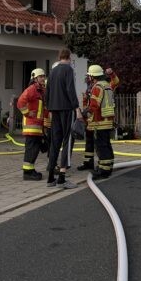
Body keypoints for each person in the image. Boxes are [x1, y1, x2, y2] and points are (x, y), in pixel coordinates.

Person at [46, 49, 83, 189]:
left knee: (54, 142)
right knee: (67, 141)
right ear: (69, 57)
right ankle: (61, 178)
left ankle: (50, 178)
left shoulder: (53, 71)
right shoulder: (68, 69)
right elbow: (70, 89)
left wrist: (49, 108)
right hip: (66, 109)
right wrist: (77, 108)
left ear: (59, 57)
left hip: (54, 109)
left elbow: (47, 91)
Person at [79, 67, 119, 171]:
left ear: (92, 76)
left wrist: (83, 115)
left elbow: (94, 106)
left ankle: (104, 169)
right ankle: (103, 165)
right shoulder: (104, 85)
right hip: (101, 121)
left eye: (89, 76)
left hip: (98, 121)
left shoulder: (98, 87)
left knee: (101, 146)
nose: (88, 78)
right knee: (99, 144)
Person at [16, 69, 48, 181]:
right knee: (31, 149)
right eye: (41, 77)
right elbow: (20, 102)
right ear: (34, 78)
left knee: (35, 149)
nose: (43, 78)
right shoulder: (32, 89)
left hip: (38, 126)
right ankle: (27, 173)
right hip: (31, 126)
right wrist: (27, 113)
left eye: (44, 76)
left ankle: (31, 169)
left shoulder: (41, 90)